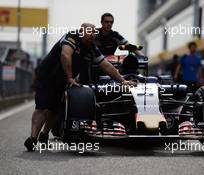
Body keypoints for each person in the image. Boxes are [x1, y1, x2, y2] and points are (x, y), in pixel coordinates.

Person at [24, 23, 136, 151]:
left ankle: (44, 136)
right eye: (89, 32)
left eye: (94, 33)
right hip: (47, 76)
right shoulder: (71, 37)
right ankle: (33, 138)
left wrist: (122, 81)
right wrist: (70, 77)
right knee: (43, 107)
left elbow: (106, 65)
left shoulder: (92, 47)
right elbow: (65, 55)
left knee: (55, 109)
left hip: (63, 80)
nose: (92, 35)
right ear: (81, 31)